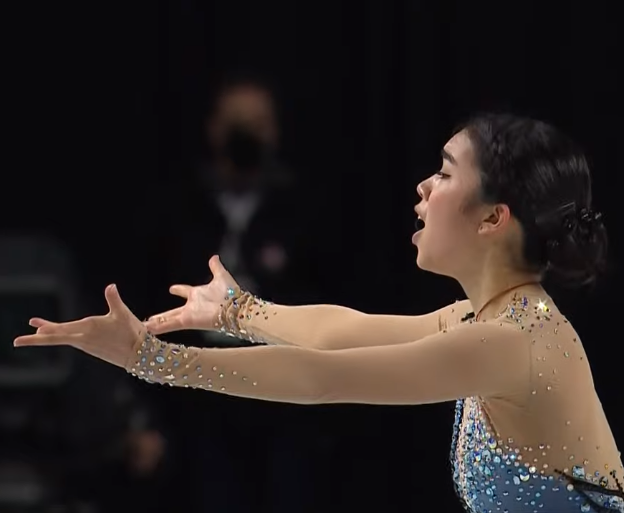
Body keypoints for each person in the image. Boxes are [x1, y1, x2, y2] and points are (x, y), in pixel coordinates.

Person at [15, 114, 623, 512]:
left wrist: (150, 358)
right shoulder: (484, 319)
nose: (423, 186)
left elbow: (321, 378)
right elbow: (343, 333)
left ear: (493, 218)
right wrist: (236, 311)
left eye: (443, 172)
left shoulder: (512, 343)